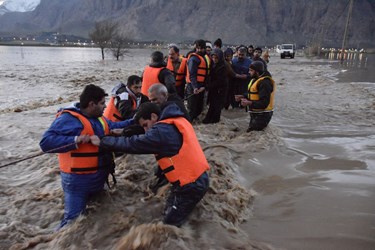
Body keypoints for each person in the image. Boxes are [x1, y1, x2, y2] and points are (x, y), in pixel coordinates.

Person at [90, 102, 210, 227]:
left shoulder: (160, 132)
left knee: (169, 225)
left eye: (146, 125)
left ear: (153, 116)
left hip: (191, 185)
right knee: (168, 210)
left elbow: (133, 144)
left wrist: (103, 141)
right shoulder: (175, 119)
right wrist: (123, 132)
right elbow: (144, 135)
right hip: (195, 178)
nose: (146, 130)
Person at [39, 84, 134, 229]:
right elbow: (45, 142)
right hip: (78, 181)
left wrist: (136, 121)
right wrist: (75, 140)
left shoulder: (99, 118)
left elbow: (115, 126)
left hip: (99, 176)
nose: (105, 106)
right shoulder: (69, 119)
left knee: (98, 212)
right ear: (91, 104)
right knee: (73, 223)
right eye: (102, 103)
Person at [235, 61, 275, 132]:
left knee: (251, 134)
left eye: (251, 70)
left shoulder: (265, 83)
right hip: (256, 113)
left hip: (263, 114)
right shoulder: (255, 79)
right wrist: (242, 96)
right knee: (252, 134)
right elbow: (254, 94)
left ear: (257, 72)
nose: (249, 72)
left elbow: (264, 103)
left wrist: (249, 103)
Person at [185, 39, 210, 121]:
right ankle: (189, 123)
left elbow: (206, 74)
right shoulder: (193, 59)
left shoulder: (205, 58)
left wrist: (204, 86)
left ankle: (195, 123)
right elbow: (192, 74)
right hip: (193, 86)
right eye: (198, 48)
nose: (199, 50)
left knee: (199, 108)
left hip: (201, 86)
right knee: (191, 108)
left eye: (201, 48)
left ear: (204, 48)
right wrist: (195, 87)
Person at [202, 48, 227, 124]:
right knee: (212, 105)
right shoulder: (213, 65)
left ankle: (215, 121)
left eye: (216, 58)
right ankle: (208, 120)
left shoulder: (223, 67)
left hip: (220, 90)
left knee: (217, 106)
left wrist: (207, 86)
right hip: (213, 89)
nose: (214, 59)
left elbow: (220, 81)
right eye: (213, 57)